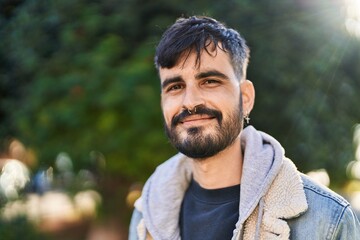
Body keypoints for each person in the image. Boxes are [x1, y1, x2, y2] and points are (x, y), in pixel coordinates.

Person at [129, 16, 360, 240]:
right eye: (175, 86)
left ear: (246, 97)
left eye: (209, 81)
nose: (190, 101)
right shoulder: (147, 214)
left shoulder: (328, 220)